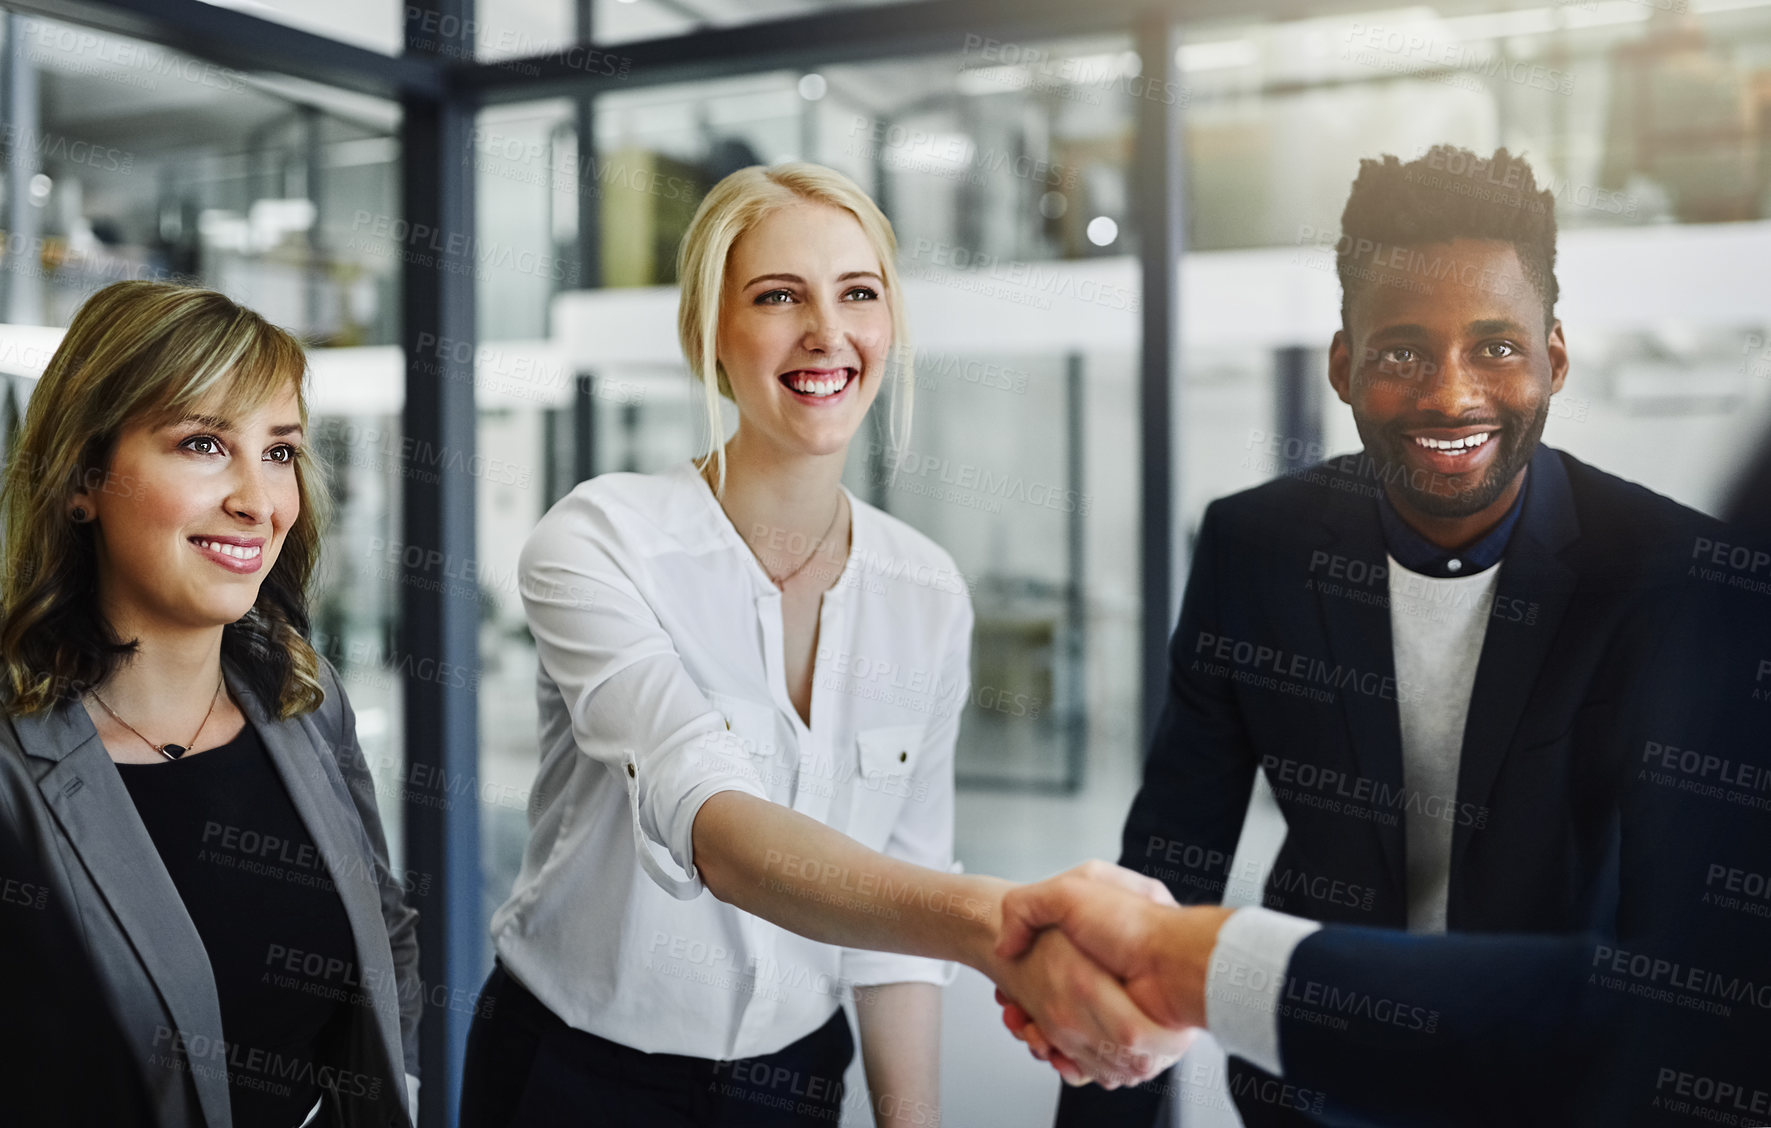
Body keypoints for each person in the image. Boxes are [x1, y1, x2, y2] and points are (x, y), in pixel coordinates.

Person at [457, 163, 1184, 1128]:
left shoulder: (925, 592)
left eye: (858, 293)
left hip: (792, 1079)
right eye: (777, 297)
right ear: (711, 331)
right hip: (575, 1075)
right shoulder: (599, 541)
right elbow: (716, 825)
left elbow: (894, 931)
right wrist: (1000, 925)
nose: (827, 332)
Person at [1057, 144, 1715, 1128]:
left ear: (1555, 359)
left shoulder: (1666, 570)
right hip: (1312, 1081)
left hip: (1558, 1092)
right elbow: (1169, 858)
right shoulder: (1254, 547)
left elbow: (1687, 954)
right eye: (1403, 351)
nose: (1450, 395)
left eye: (1496, 345)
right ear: (1342, 365)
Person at [0, 280, 422, 1128]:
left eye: (278, 451)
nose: (257, 501)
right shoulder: (15, 768)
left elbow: (387, 931)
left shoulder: (302, 694)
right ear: (82, 479)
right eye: (201, 443)